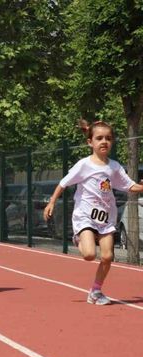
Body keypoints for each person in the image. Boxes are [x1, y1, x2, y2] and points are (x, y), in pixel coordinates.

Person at [44, 121, 143, 305]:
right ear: (90, 142)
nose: (104, 141)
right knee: (89, 254)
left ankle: (95, 291)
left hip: (106, 217)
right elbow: (64, 183)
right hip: (85, 216)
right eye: (99, 138)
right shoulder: (84, 165)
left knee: (107, 257)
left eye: (108, 138)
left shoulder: (114, 167)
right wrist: (51, 202)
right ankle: (79, 238)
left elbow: (129, 185)